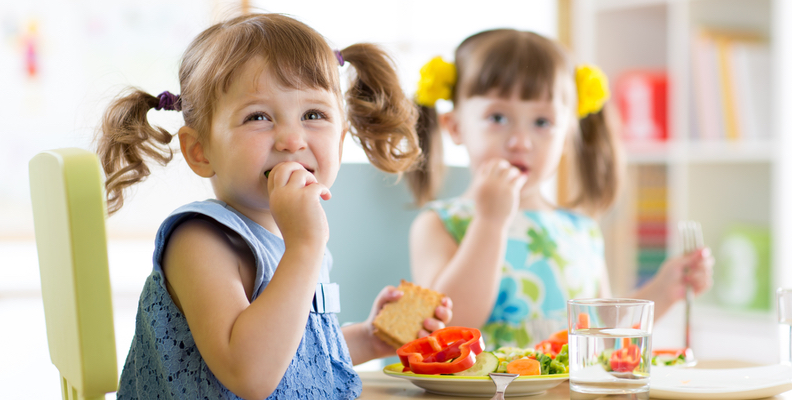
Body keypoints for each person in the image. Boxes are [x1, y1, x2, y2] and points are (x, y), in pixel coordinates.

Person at [96, 13, 452, 400]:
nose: (292, 139)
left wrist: (370, 338)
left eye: (313, 115)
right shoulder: (199, 241)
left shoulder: (297, 236)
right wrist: (304, 247)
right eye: (258, 117)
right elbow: (250, 375)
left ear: (339, 140)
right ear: (200, 151)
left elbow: (297, 362)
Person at [406, 29, 712, 350]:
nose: (520, 142)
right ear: (455, 127)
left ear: (567, 135)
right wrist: (490, 222)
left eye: (542, 122)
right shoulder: (440, 224)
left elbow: (601, 331)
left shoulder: (580, 230)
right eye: (497, 117)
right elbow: (446, 333)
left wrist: (664, 290)